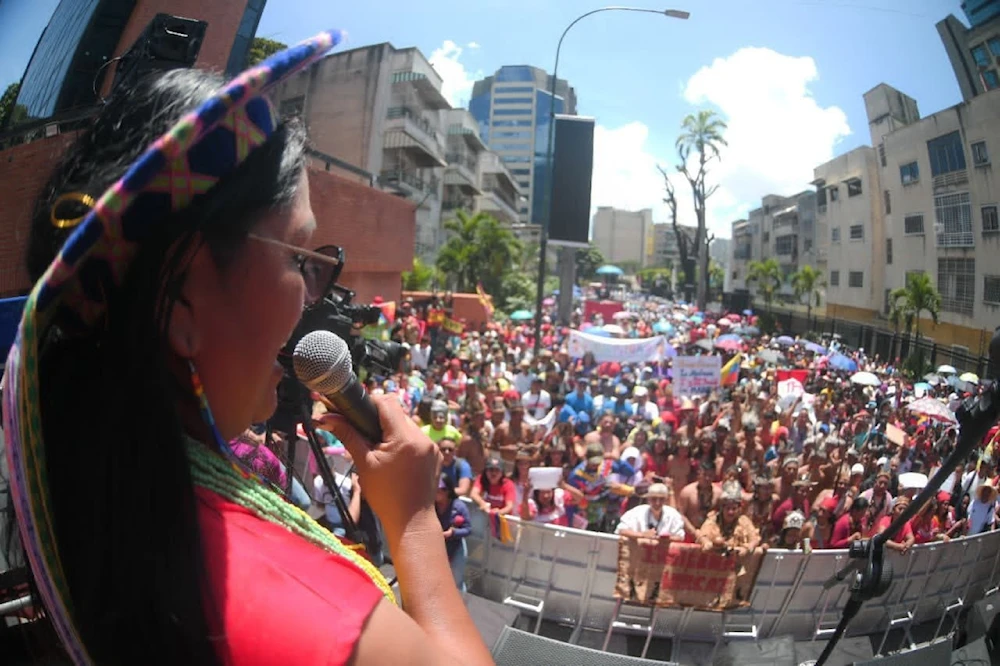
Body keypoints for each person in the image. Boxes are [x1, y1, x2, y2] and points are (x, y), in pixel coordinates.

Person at [1, 38, 492, 665]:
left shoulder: (100, 490)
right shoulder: (305, 609)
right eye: (298, 257)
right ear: (181, 299)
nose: (311, 301)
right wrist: (416, 520)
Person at [435, 474, 472, 591]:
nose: (437, 492)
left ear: (447, 491)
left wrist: (453, 533)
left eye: (441, 489)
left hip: (456, 548)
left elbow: (468, 529)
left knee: (456, 581)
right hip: (435, 548)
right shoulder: (430, 505)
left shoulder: (459, 507)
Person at [614, 483, 689, 540]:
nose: (657, 503)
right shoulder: (637, 512)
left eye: (661, 499)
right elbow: (621, 530)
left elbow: (680, 536)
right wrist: (642, 535)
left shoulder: (673, 514)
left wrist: (664, 539)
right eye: (654, 499)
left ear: (666, 500)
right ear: (648, 499)